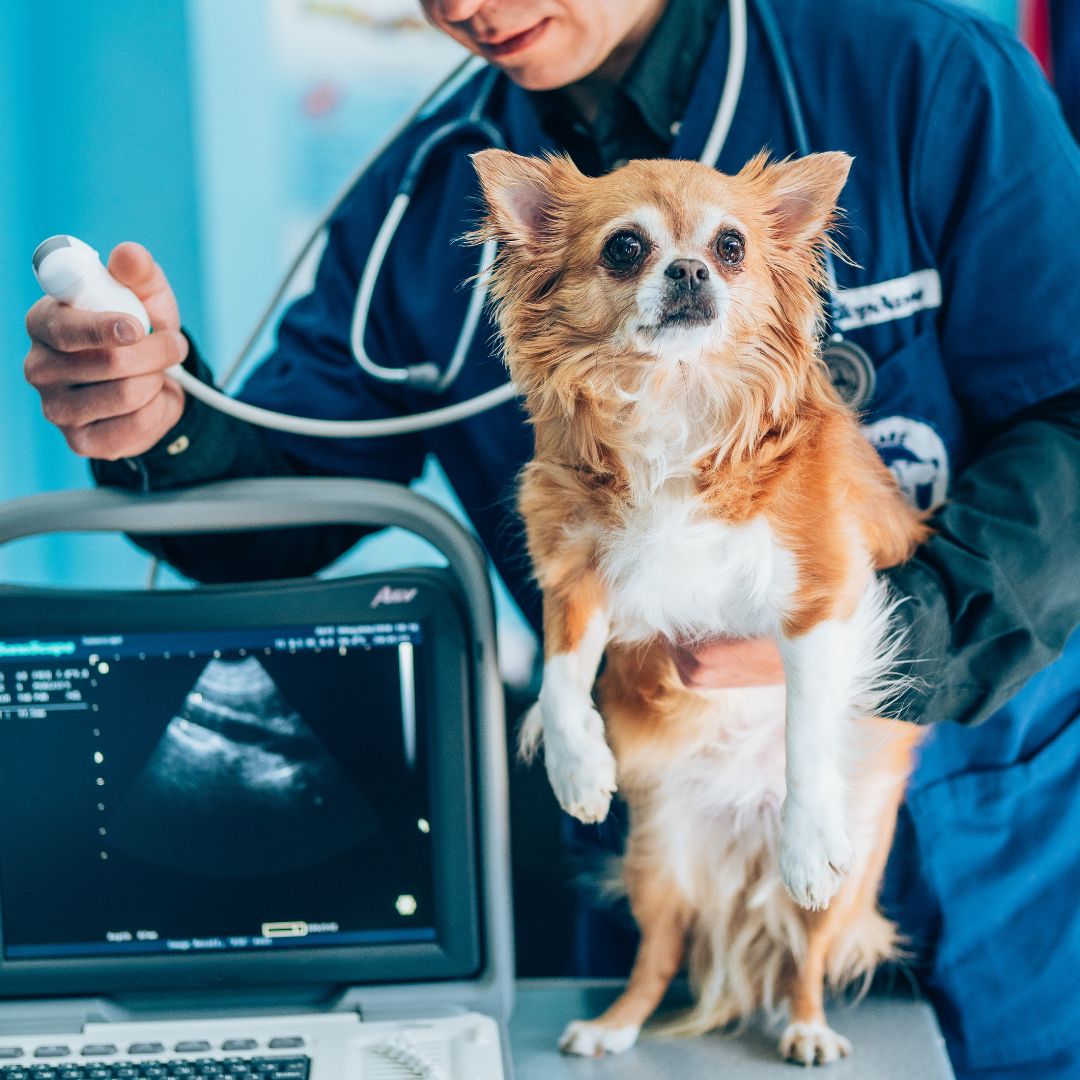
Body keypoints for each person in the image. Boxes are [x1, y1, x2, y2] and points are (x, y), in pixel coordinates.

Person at [22, 1, 1080, 1076]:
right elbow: (280, 510)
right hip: (665, 825)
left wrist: (889, 634)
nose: (467, 9)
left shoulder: (925, 77)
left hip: (982, 835)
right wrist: (168, 422)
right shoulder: (424, 202)